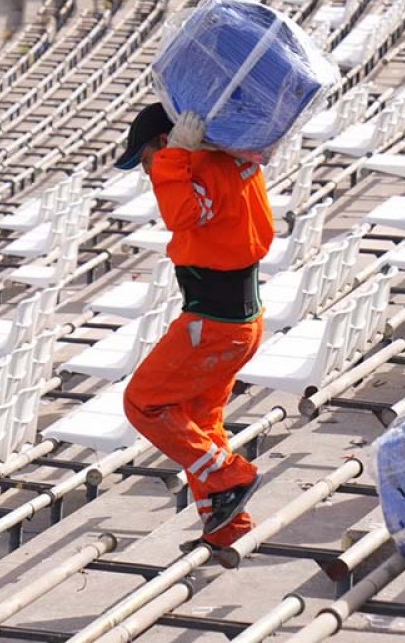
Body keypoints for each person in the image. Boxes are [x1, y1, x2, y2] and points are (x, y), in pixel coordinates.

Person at [115, 102, 275, 548]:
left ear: (165, 143)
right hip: (241, 322)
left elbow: (181, 214)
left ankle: (230, 478)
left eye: (146, 160)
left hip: (213, 325)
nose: (149, 173)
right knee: (200, 423)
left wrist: (173, 160)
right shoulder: (235, 161)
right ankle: (228, 528)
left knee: (143, 403)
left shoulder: (198, 167)